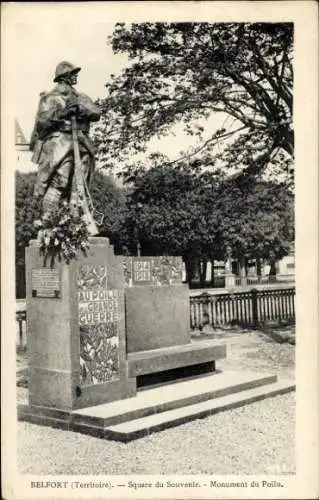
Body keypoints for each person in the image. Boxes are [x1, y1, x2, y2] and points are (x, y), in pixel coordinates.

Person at [30, 61, 101, 229]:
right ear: (64, 77)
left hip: (81, 143)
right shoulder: (49, 98)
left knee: (80, 184)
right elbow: (42, 123)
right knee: (59, 182)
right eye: (73, 73)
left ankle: (78, 224)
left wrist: (80, 110)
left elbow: (96, 113)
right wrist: (63, 112)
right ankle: (50, 223)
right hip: (59, 143)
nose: (76, 76)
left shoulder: (81, 97)